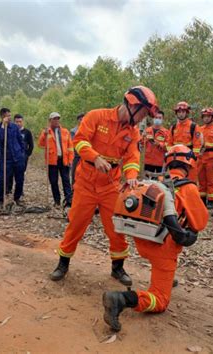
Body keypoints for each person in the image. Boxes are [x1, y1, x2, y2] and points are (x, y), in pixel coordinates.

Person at [49, 86, 159, 286]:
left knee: (116, 228)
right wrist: (95, 158)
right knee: (76, 224)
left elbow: (133, 156)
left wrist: (132, 176)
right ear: (132, 106)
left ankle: (118, 268)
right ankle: (63, 263)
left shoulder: (133, 132)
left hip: (110, 185)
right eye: (143, 114)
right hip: (86, 182)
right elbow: (80, 141)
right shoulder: (96, 116)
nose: (143, 119)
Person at [102, 145, 209, 332]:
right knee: (160, 300)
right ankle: (121, 300)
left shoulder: (153, 181)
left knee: (162, 264)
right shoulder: (188, 188)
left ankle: (167, 277)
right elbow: (199, 223)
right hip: (163, 248)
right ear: (189, 163)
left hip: (142, 239)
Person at [38, 112, 74, 207]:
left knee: (66, 181)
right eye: (54, 119)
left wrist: (70, 160)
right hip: (52, 161)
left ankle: (69, 200)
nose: (57, 120)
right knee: (53, 181)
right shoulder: (46, 131)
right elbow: (41, 144)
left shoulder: (65, 131)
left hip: (64, 160)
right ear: (50, 121)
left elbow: (70, 147)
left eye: (58, 118)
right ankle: (57, 201)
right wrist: (44, 135)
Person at [0, 108, 26, 206]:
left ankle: (17, 197)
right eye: (7, 116)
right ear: (2, 117)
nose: (9, 117)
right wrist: (3, 126)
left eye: (10, 115)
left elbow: (20, 140)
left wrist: (22, 152)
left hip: (18, 157)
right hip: (6, 158)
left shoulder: (15, 127)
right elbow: (0, 138)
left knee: (20, 178)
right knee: (2, 179)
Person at [167, 101, 202, 182]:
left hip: (188, 159)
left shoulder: (193, 126)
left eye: (183, 112)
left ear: (187, 113)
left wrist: (194, 158)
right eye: (179, 112)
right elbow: (169, 143)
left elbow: (197, 144)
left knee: (190, 181)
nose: (181, 114)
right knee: (175, 180)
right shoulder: (173, 127)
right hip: (175, 159)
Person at [10, 114, 34, 195]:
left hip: (22, 157)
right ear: (14, 122)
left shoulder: (27, 132)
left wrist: (27, 154)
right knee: (11, 173)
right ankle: (9, 189)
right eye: (16, 122)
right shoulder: (10, 131)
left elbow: (31, 145)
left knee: (21, 174)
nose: (18, 123)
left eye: (20, 122)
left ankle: (20, 190)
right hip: (12, 156)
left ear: (22, 122)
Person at [70, 113, 85, 186]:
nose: (82, 120)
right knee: (75, 174)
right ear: (78, 120)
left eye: (83, 119)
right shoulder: (73, 131)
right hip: (77, 156)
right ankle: (73, 192)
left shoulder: (88, 129)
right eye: (80, 119)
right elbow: (74, 143)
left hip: (86, 157)